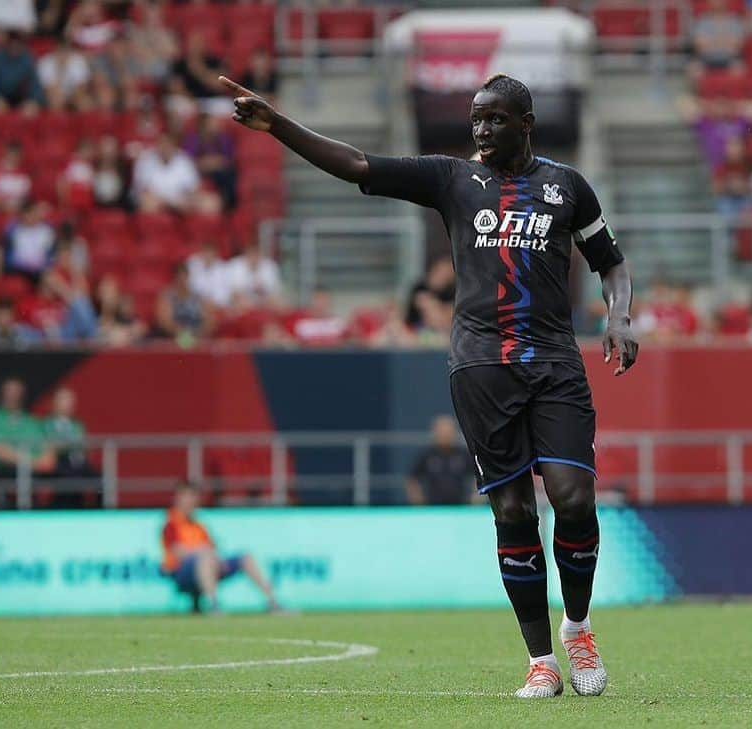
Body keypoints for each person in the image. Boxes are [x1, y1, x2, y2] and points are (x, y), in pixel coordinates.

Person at [222, 70, 637, 697]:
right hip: (480, 366)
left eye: (494, 118)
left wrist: (620, 316)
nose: (481, 129)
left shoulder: (566, 187)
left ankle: (577, 630)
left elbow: (611, 263)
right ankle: (541, 661)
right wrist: (278, 125)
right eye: (475, 117)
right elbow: (359, 164)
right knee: (513, 511)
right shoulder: (452, 179)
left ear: (525, 123)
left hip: (554, 362)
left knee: (573, 498)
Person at [160, 481, 286, 613]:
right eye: (187, 497)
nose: (191, 501)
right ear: (178, 499)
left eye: (193, 497)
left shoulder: (198, 526)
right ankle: (214, 605)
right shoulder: (171, 524)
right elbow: (178, 552)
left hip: (210, 564)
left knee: (245, 558)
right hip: (181, 572)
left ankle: (273, 602)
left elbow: (212, 547)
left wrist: (214, 557)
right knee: (205, 559)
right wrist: (204, 552)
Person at [0, 378, 56, 478]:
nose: (12, 395)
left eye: (16, 391)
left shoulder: (33, 422)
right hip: (0, 477)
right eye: (9, 391)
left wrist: (38, 462)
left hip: (32, 478)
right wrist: (31, 462)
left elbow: (49, 455)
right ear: (2, 393)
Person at [405, 415, 473, 505]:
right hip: (433, 507)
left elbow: (479, 476)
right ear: (435, 432)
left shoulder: (463, 454)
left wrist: (477, 496)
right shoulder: (427, 455)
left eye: (448, 432)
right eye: (442, 431)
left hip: (459, 507)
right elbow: (412, 479)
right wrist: (418, 500)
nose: (445, 435)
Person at [0, 32, 45, 113]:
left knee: (31, 111)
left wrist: (34, 101)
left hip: (18, 100)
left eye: (18, 44)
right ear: (6, 44)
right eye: (11, 44)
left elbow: (35, 84)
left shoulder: (28, 60)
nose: (14, 46)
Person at [132, 134, 200, 213]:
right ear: (157, 145)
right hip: (156, 200)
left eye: (169, 145)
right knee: (147, 202)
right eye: (162, 144)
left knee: (208, 203)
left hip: (180, 201)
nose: (165, 148)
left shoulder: (185, 160)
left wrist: (185, 200)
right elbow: (144, 190)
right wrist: (170, 203)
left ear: (174, 146)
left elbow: (193, 189)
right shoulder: (145, 159)